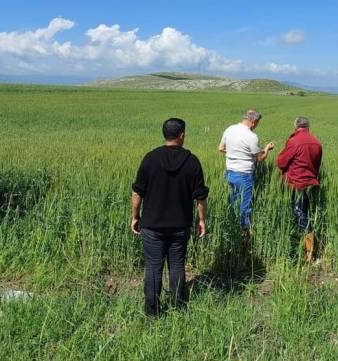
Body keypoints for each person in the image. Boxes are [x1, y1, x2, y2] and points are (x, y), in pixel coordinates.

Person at [131, 118, 209, 316]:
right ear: (181, 135)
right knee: (176, 265)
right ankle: (178, 307)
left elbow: (137, 192)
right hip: (180, 226)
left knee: (153, 267)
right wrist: (201, 220)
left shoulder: (150, 158)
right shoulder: (192, 161)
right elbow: (200, 197)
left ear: (164, 134)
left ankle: (152, 311)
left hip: (152, 225)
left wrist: (135, 216)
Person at [218, 109, 274, 240]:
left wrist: (235, 152)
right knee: (245, 207)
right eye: (257, 123)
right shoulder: (251, 136)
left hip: (230, 173)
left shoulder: (230, 129)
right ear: (253, 122)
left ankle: (231, 230)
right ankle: (244, 238)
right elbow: (259, 158)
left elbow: (221, 148)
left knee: (233, 203)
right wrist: (267, 149)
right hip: (244, 175)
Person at [276, 116, 322, 261]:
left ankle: (306, 252)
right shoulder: (316, 142)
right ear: (308, 127)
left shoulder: (294, 141)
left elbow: (281, 163)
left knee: (299, 215)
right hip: (311, 184)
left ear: (296, 127)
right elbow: (317, 166)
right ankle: (308, 250)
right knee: (306, 214)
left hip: (297, 184)